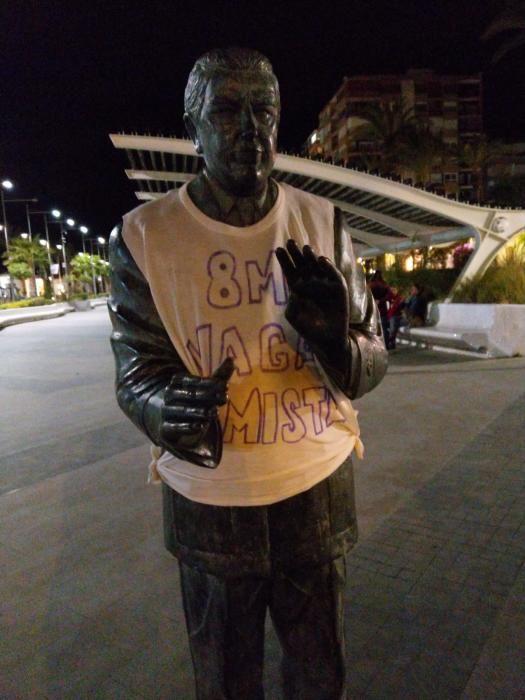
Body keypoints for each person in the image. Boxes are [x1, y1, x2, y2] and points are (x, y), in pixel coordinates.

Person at [108, 48, 387, 700]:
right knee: (226, 680)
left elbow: (371, 355)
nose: (249, 129)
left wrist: (331, 339)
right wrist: (162, 405)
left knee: (319, 674)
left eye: (263, 110)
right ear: (192, 126)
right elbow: (135, 370)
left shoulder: (322, 223)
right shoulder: (144, 235)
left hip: (315, 492)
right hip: (211, 506)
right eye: (227, 111)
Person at [368, 270, 391, 348]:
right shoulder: (384, 284)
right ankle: (386, 344)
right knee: (384, 327)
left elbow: (368, 294)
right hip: (382, 307)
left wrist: (374, 300)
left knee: (374, 327)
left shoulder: (371, 284)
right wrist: (381, 300)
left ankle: (376, 344)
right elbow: (389, 295)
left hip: (373, 307)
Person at [386, 285, 405, 349]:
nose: (393, 291)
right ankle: (391, 342)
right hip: (388, 316)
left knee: (393, 328)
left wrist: (401, 303)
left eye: (395, 290)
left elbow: (398, 308)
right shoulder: (388, 297)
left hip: (395, 316)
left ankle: (390, 342)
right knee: (391, 328)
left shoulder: (399, 298)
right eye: (392, 290)